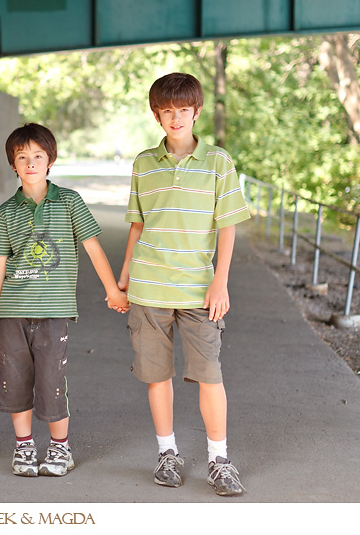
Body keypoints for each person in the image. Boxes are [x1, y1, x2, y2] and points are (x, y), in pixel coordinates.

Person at [118, 73, 251, 496]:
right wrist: (124, 277)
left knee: (210, 375)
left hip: (199, 289)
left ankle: (219, 459)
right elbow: (138, 226)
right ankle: (167, 453)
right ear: (157, 115)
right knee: (158, 376)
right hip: (149, 286)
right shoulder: (143, 163)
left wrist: (220, 282)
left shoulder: (218, 162)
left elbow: (227, 227)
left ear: (196, 112)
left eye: (184, 110)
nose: (176, 118)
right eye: (167, 111)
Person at [0, 123, 129, 478]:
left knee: (52, 381)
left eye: (37, 156)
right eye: (22, 157)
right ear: (13, 164)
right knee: (15, 380)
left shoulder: (69, 201)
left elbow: (93, 247)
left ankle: (60, 448)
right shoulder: (7, 211)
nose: (30, 163)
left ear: (50, 160)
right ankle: (23, 446)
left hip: (54, 312)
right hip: (12, 312)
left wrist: (112, 290)